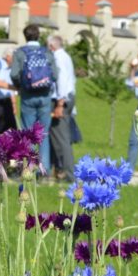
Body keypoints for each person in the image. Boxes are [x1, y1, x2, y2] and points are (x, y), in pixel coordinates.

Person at [9, 24, 57, 177]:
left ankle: (28, 169)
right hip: (45, 96)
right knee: (43, 134)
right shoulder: (47, 52)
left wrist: (20, 85)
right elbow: (55, 75)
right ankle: (44, 171)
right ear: (38, 36)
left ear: (25, 36)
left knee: (28, 134)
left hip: (28, 96)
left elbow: (14, 74)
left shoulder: (20, 53)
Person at [47, 35, 77, 180]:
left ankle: (69, 174)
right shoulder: (66, 56)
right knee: (59, 137)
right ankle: (59, 169)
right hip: (68, 97)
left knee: (62, 138)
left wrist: (60, 103)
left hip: (62, 99)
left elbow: (62, 80)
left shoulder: (57, 58)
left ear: (51, 46)